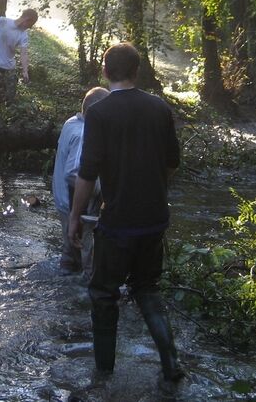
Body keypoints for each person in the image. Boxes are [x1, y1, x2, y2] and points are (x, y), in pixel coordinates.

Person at [68, 42, 185, 386]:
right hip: (154, 219)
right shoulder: (160, 109)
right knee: (147, 288)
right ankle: (171, 364)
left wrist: (75, 217)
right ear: (137, 72)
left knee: (104, 294)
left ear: (105, 71)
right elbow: (172, 164)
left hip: (116, 222)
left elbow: (87, 173)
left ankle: (103, 372)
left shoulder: (100, 114)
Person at [52, 86, 110, 275]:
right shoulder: (85, 133)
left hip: (64, 200)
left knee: (70, 252)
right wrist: (100, 189)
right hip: (77, 205)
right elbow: (73, 174)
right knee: (88, 258)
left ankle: (65, 282)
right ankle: (83, 296)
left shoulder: (71, 122)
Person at [0, 8, 38, 121]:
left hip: (9, 69)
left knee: (10, 97)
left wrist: (25, 71)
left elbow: (24, 53)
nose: (30, 27)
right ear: (27, 19)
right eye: (31, 24)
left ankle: (8, 121)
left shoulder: (23, 35)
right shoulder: (2, 21)